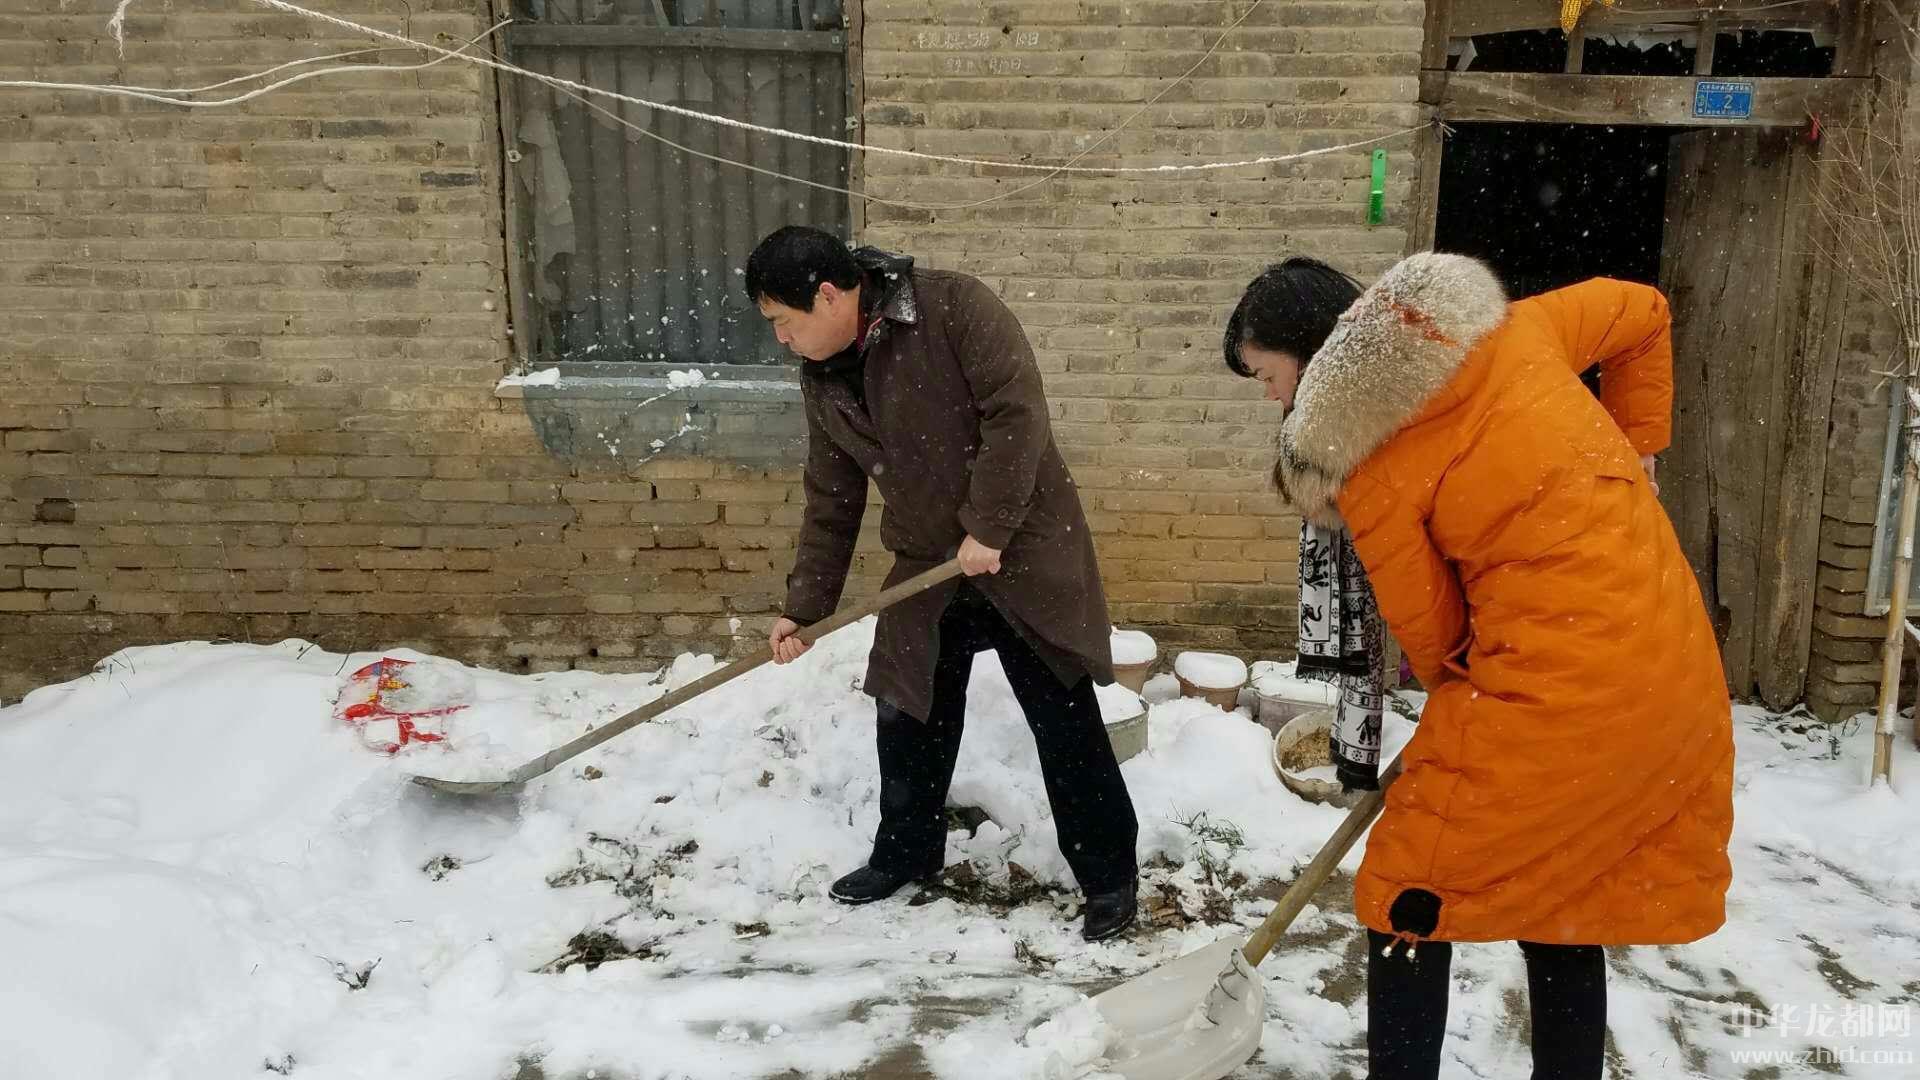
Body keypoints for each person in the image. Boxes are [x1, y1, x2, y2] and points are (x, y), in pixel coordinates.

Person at [1220, 253, 1734, 1078]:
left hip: (1556, 687)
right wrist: (1638, 447)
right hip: (1673, 664)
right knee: (1564, 889)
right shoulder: (1517, 330)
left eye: (1266, 377)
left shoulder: (1373, 464)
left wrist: (1465, 712)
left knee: (1405, 891)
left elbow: (1438, 641)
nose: (1273, 399)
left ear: (1312, 354)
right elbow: (1642, 311)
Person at [746, 225, 1140, 942]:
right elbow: (831, 496)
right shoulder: (824, 377)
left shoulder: (953, 308)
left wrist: (990, 526)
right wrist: (805, 608)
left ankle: (1109, 877)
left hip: (1021, 551)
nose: (781, 339)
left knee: (1062, 717)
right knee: (906, 707)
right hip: (929, 562)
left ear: (828, 296)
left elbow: (1016, 415)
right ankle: (907, 852)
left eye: (783, 321)